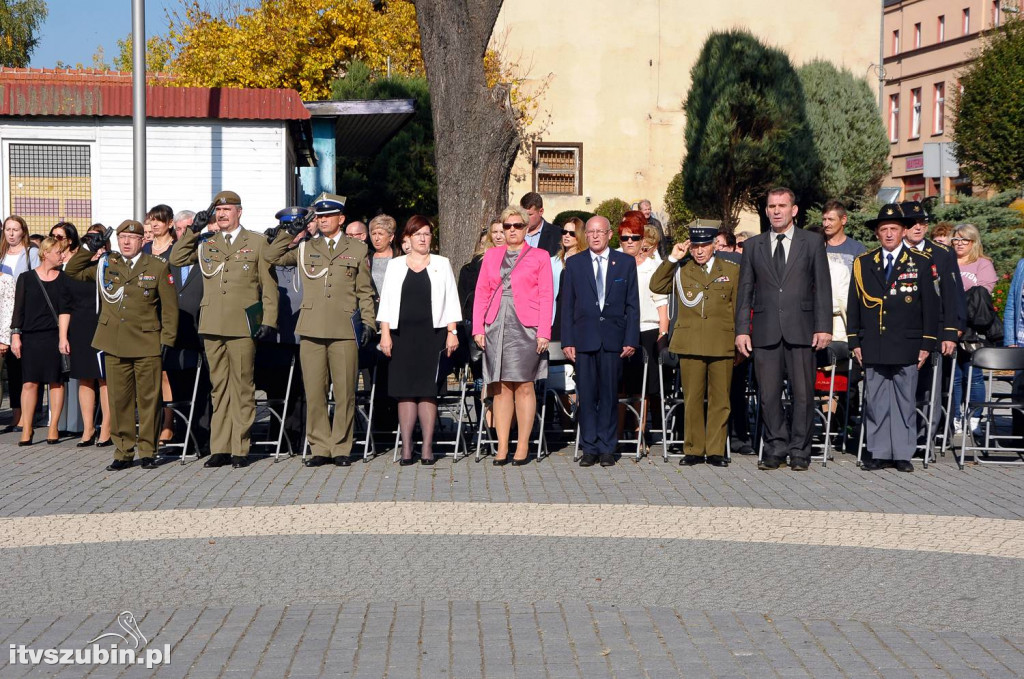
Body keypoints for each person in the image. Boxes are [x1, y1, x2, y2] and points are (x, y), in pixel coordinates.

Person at [265, 193, 377, 467]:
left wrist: (369, 323)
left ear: (341, 219)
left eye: (328, 216)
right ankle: (319, 447)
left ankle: (341, 447)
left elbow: (364, 291)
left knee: (345, 392)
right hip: (312, 328)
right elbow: (271, 255)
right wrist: (288, 231)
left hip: (343, 329)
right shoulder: (306, 248)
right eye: (320, 216)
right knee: (314, 392)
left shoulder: (357, 249)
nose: (323, 220)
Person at [169, 190, 278, 469]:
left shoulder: (255, 242)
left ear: (239, 212)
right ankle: (220, 447)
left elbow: (268, 286)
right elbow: (177, 258)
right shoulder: (206, 242)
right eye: (218, 210)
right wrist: (193, 229)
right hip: (212, 324)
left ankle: (240, 446)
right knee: (218, 388)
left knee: (242, 388)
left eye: (228, 209)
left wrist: (268, 321)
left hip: (242, 324)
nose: (222, 214)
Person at [66, 221, 178, 470]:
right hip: (114, 342)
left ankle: (148, 450)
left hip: (147, 341)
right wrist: (87, 248)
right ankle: (124, 451)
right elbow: (72, 271)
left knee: (149, 400)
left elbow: (169, 309)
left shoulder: (157, 266)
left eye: (132, 237)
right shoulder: (107, 263)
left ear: (142, 241)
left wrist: (167, 340)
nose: (126, 242)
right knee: (119, 400)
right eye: (122, 237)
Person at [735, 187, 832, 471]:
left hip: (802, 329)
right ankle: (775, 446)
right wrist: (742, 330)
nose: (776, 210)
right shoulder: (754, 246)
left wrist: (823, 327)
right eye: (771, 206)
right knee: (768, 394)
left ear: (794, 210)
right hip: (765, 331)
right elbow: (745, 291)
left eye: (782, 205)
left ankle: (800, 450)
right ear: (766, 210)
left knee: (803, 393)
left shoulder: (812, 242)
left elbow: (822, 288)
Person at [848, 205, 939, 472]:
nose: (888, 234)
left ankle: (901, 453)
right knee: (875, 400)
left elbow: (931, 308)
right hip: (873, 342)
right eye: (883, 229)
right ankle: (877, 451)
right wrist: (855, 341)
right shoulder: (863, 263)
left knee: (904, 400)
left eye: (894, 229)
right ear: (877, 233)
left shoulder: (921, 262)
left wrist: (926, 344)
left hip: (907, 342)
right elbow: (855, 305)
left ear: (903, 232)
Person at [650, 227, 739, 465]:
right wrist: (672, 258)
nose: (699, 251)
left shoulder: (731, 270)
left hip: (722, 341)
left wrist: (741, 339)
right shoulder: (682, 269)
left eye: (704, 246)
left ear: (713, 246)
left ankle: (716, 450)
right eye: (695, 246)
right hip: (690, 342)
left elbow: (738, 307)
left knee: (721, 399)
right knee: (692, 398)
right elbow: (656, 285)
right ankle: (694, 449)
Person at [472, 206, 553, 465]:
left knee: (525, 385)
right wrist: (477, 328)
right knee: (501, 386)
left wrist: (544, 332)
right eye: (508, 227)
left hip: (527, 326)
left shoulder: (540, 256)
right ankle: (502, 445)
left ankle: (523, 444)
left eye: (517, 225)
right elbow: (481, 293)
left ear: (526, 227)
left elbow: (546, 296)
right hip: (496, 324)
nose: (512, 231)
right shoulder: (492, 256)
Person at [377, 215, 461, 464]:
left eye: (427, 234)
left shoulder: (441, 263)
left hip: (432, 335)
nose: (423, 239)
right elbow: (387, 301)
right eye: (418, 234)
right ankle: (406, 447)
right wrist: (385, 333)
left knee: (427, 392)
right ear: (407, 239)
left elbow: (451, 299)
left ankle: (426, 448)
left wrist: (452, 332)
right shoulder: (395, 265)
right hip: (401, 336)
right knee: (405, 392)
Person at [561, 215, 640, 468]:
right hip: (584, 339)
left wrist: (631, 338)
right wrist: (567, 340)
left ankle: (608, 447)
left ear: (609, 235)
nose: (595, 236)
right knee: (586, 394)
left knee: (608, 395)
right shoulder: (574, 263)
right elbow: (567, 306)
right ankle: (589, 447)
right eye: (591, 232)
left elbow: (632, 304)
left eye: (600, 232)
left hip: (613, 339)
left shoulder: (625, 263)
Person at [10, 237, 72, 446]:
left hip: (54, 337)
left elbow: (65, 310)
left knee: (56, 382)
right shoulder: (26, 278)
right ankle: (27, 426)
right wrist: (15, 336)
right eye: (58, 252)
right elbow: (18, 309)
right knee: (29, 383)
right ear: (45, 253)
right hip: (31, 336)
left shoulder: (64, 279)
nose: (62, 256)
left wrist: (63, 338)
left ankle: (53, 426)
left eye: (63, 252)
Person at [618, 213, 668, 449]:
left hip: (647, 329)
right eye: (626, 237)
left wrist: (663, 332)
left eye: (635, 238)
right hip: (619, 329)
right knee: (619, 386)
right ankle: (616, 433)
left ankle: (640, 433)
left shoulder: (654, 267)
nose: (631, 242)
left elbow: (661, 303)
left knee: (642, 388)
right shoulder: (616, 262)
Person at [164, 210, 211, 454]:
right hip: (176, 333)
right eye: (180, 229)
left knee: (202, 389)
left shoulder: (206, 253)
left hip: (201, 332)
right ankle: (182, 437)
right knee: (179, 389)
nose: (184, 233)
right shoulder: (171, 258)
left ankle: (202, 438)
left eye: (188, 228)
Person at [63, 224, 112, 448]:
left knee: (105, 378)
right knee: (85, 378)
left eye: (98, 239)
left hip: (104, 324)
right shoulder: (81, 266)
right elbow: (71, 270)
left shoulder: (110, 263)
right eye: (90, 239)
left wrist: (103, 252)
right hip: (81, 325)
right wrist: (88, 250)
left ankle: (107, 429)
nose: (94, 243)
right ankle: (88, 428)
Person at [952, 223, 998, 434]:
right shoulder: (947, 261)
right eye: (956, 239)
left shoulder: (982, 264)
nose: (959, 243)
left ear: (974, 242)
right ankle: (956, 417)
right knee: (955, 376)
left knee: (974, 375)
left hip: (973, 330)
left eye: (964, 240)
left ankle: (975, 417)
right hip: (951, 326)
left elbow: (983, 296)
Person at [140, 204, 178, 442]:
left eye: (159, 221)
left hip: (166, 314)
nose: (154, 225)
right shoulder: (144, 248)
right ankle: (148, 424)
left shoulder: (175, 250)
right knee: (146, 375)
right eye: (151, 220)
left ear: (170, 223)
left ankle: (168, 422)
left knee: (165, 374)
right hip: (145, 316)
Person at [1, 215, 40, 433]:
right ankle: (16, 414)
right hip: (2, 316)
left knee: (23, 365)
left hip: (23, 315)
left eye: (16, 229)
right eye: (8, 229)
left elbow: (35, 283)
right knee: (12, 369)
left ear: (23, 231)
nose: (12, 233)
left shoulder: (30, 253)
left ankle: (27, 415)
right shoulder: (1, 254)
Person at [519, 192, 561, 256]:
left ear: (541, 212)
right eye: (522, 214)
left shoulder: (556, 234)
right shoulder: (514, 230)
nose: (525, 218)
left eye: (529, 214)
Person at [368, 214, 400, 296]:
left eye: (380, 234)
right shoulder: (366, 258)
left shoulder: (399, 257)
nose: (376, 238)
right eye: (374, 234)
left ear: (391, 237)